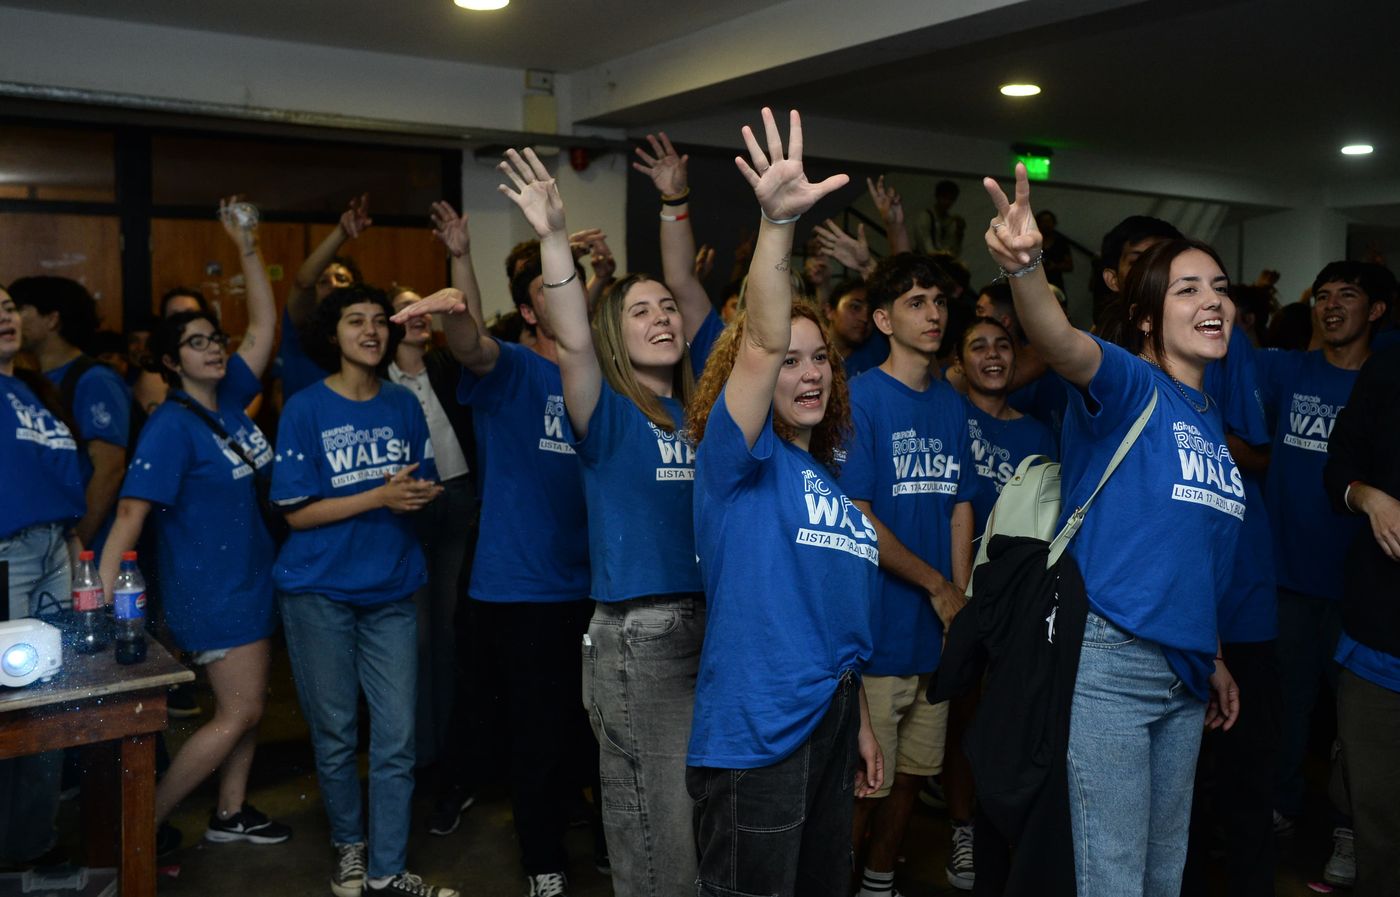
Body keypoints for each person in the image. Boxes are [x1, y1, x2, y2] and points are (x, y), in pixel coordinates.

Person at [983, 164, 1240, 897]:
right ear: (1150, 318)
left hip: (1185, 674)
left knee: (1164, 874)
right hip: (1114, 661)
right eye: (1187, 289)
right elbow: (1060, 341)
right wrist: (1027, 269)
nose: (1212, 300)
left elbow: (1188, 555)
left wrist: (1213, 655)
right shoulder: (1130, 383)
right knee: (1113, 877)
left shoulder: (1209, 420)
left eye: (1219, 287)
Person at [493, 137, 713, 897]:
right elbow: (572, 335)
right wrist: (553, 235)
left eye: (667, 309)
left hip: (708, 623)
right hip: (638, 636)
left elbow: (690, 288)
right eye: (641, 310)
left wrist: (675, 203)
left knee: (693, 815)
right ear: (615, 334)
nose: (662, 317)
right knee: (656, 831)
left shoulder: (697, 413)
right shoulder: (607, 413)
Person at [683, 107, 883, 897]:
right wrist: (776, 226)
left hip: (829, 721)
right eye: (790, 360)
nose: (808, 372)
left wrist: (858, 717)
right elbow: (759, 340)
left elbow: (832, 625)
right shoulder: (737, 462)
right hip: (756, 734)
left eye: (821, 360)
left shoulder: (826, 481)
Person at [392, 213, 594, 897]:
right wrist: (459, 273)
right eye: (552, 286)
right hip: (523, 587)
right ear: (532, 307)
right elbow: (471, 342)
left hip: (597, 583)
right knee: (535, 733)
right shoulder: (515, 369)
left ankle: (575, 829)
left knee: (582, 728)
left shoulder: (605, 376)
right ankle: (543, 863)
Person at [99, 198, 290, 853]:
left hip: (248, 576)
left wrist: (245, 241)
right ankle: (143, 821)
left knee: (249, 706)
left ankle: (231, 812)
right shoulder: (173, 425)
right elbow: (130, 514)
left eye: (215, 338)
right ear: (171, 363)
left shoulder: (231, 400)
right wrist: (99, 602)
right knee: (239, 709)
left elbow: (265, 321)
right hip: (212, 590)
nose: (214, 347)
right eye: (196, 342)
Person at [270, 282, 454, 897]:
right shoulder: (304, 407)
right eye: (357, 321)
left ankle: (387, 870)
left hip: (393, 588)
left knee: (397, 736)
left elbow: (419, 481)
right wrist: (379, 494)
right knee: (337, 733)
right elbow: (295, 512)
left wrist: (418, 494)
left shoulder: (403, 405)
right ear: (334, 334)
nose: (372, 331)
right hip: (318, 589)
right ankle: (351, 848)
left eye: (380, 321)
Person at [839, 253, 977, 895]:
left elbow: (958, 507)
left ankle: (878, 882)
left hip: (934, 638)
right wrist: (935, 587)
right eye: (917, 303)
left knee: (916, 774)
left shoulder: (951, 402)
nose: (933, 314)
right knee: (867, 784)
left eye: (940, 302)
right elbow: (859, 518)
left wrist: (958, 605)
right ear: (883, 319)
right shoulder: (861, 397)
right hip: (879, 635)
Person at [1257, 262, 1391, 883]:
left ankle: (1349, 831)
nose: (1332, 306)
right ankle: (1280, 813)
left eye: (1349, 296)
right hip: (1289, 582)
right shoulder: (1288, 369)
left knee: (1355, 729)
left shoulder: (1386, 385)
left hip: (1363, 594)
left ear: (1378, 311)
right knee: (1287, 709)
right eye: (1323, 296)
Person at [0, 283, 85, 870]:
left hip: (56, 545)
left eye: (6, 307)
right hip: (8, 552)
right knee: (9, 702)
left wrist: (75, 545)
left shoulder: (29, 392)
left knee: (51, 695)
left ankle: (30, 846)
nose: (3, 317)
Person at [387, 271, 477, 779]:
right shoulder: (380, 381)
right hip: (407, 511)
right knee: (417, 637)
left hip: (459, 500)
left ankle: (449, 755)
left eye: (425, 307)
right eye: (406, 306)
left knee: (449, 632)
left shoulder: (445, 365)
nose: (419, 315)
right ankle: (418, 755)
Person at [1323, 343, 1400, 897]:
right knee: (1378, 821)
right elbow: (1339, 467)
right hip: (1382, 639)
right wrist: (1368, 496)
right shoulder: (1390, 366)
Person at [12, 275, 133, 558]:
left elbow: (109, 470)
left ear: (52, 319)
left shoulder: (95, 380)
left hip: (91, 549)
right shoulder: (27, 381)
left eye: (20, 309)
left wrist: (77, 545)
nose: (11, 319)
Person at [958, 316, 1056, 533]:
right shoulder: (949, 413)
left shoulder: (1037, 436)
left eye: (1002, 346)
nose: (992, 354)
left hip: (1007, 562)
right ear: (959, 364)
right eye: (978, 347)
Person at [277, 194, 370, 405]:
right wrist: (341, 233)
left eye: (342, 279)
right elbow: (303, 282)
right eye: (324, 282)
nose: (334, 285)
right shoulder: (301, 326)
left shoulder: (368, 331)